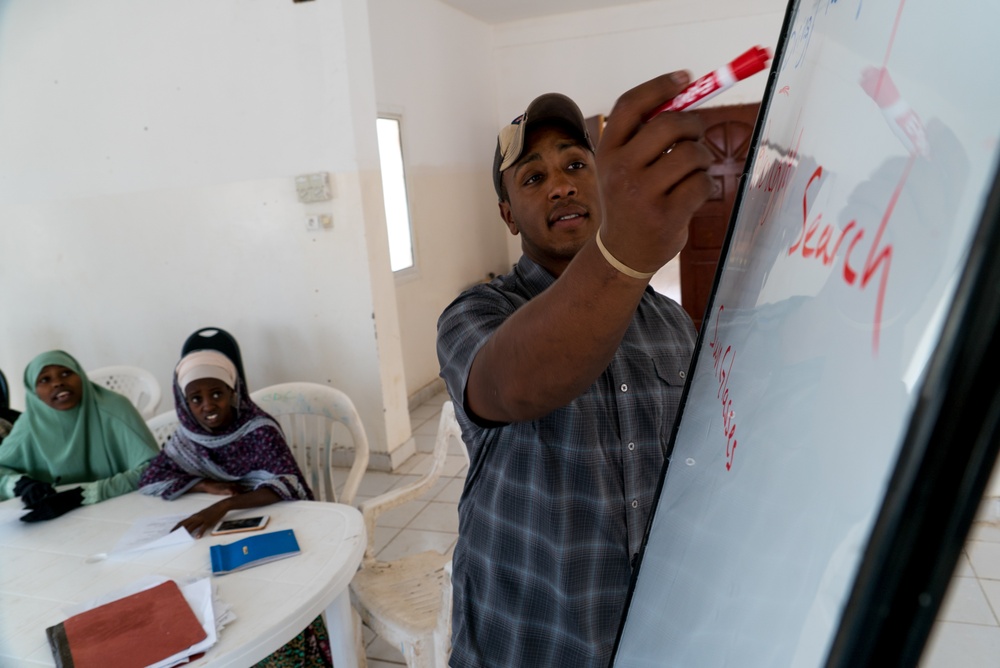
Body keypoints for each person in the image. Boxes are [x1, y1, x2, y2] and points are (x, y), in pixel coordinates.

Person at [436, 72, 714, 667]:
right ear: (508, 216)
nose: (560, 186)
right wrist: (626, 252)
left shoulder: (670, 323)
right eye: (534, 177)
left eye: (575, 166)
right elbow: (516, 384)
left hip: (655, 636)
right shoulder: (475, 314)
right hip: (528, 641)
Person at [139, 349, 331, 668]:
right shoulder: (189, 436)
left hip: (277, 518)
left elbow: (287, 483)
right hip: (220, 534)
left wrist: (223, 506)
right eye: (196, 399)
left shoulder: (258, 429)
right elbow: (151, 478)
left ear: (234, 393)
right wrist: (205, 486)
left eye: (217, 394)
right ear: (185, 403)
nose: (208, 406)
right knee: (218, 594)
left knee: (277, 592)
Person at [0, 350, 159, 521]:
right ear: (33, 391)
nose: (58, 383)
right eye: (45, 379)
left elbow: (153, 469)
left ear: (81, 376)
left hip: (123, 512)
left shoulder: (115, 409)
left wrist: (86, 494)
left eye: (66, 373)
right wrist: (20, 484)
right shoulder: (29, 424)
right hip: (58, 524)